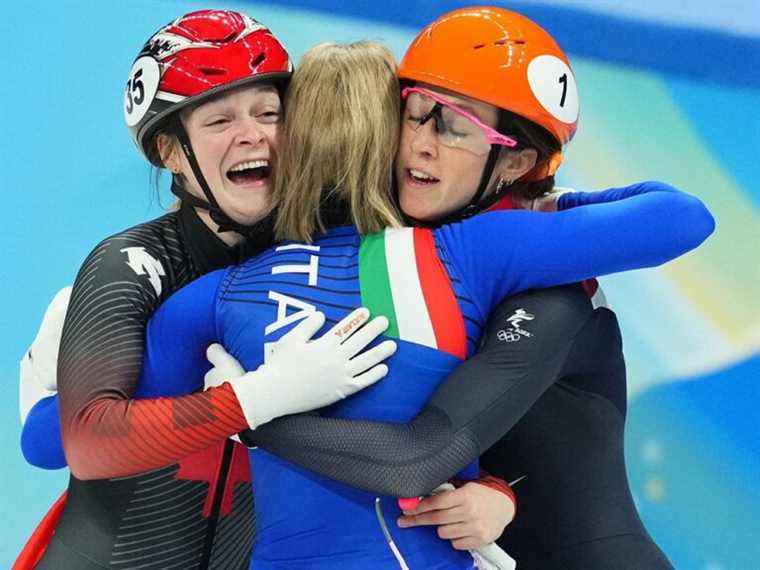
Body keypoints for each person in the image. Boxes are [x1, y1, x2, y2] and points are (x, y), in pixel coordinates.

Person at [120, 40, 711, 569]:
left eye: (452, 128)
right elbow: (102, 438)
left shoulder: (528, 268)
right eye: (414, 116)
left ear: (516, 164)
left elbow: (420, 455)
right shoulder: (429, 255)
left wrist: (249, 411)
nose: (420, 147)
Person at [15, 10, 396, 570]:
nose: (253, 134)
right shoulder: (132, 266)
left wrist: (489, 490)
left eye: (269, 112)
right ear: (171, 152)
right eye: (219, 122)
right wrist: (260, 397)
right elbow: (74, 446)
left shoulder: (332, 255)